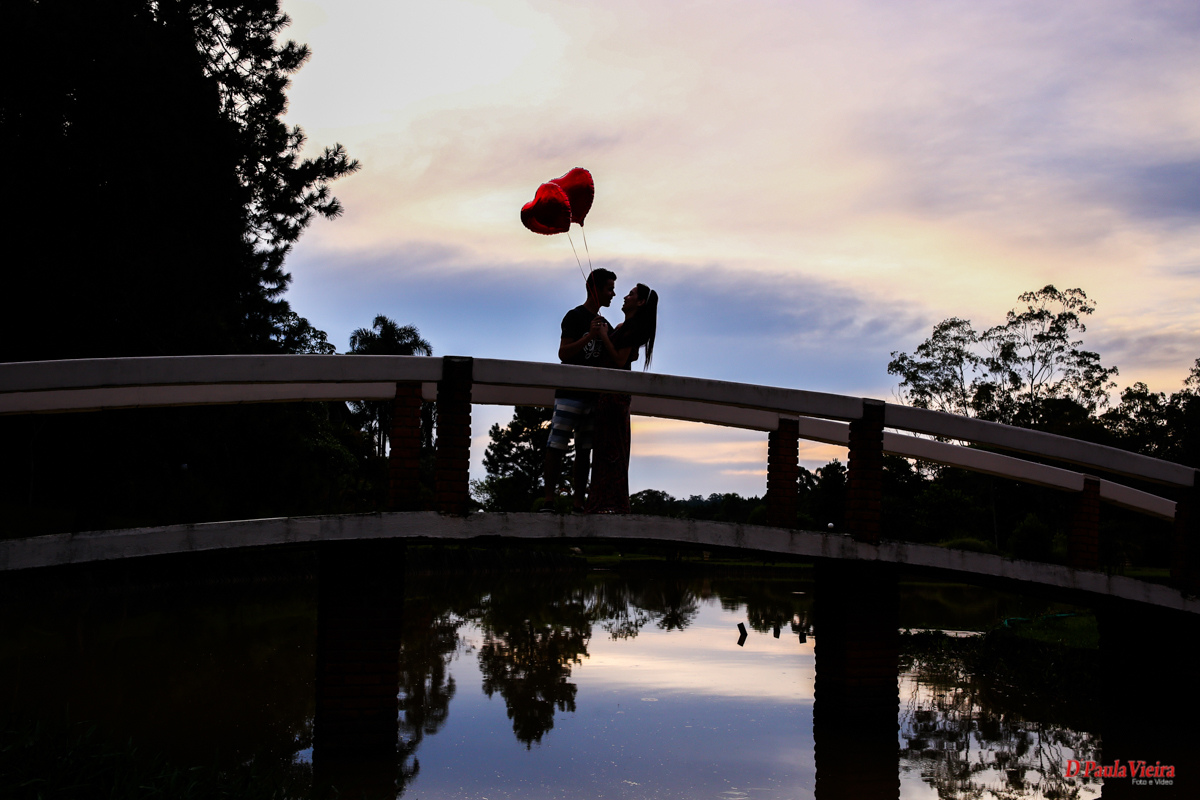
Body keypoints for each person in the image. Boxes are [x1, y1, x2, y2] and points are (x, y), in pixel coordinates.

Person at [542, 268, 618, 512]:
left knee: (585, 450)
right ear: (594, 289)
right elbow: (563, 353)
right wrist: (590, 336)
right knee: (557, 446)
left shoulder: (607, 324)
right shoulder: (574, 316)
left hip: (592, 396)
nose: (613, 294)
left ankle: (578, 503)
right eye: (609, 288)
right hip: (569, 393)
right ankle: (549, 500)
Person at [585, 283, 658, 514]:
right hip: (606, 398)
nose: (625, 297)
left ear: (640, 303)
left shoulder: (633, 329)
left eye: (631, 294)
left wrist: (604, 336)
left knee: (612, 452)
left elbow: (619, 360)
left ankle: (611, 506)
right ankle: (602, 504)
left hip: (614, 400)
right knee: (604, 450)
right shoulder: (623, 327)